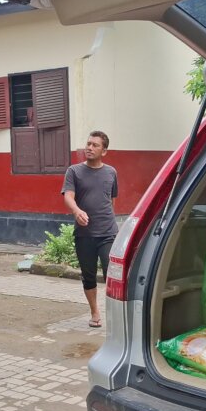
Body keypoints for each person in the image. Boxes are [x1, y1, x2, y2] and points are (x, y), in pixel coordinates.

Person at [62, 131, 118, 328]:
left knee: (112, 274)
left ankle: (115, 313)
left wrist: (109, 221)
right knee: (88, 275)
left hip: (108, 233)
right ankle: (94, 311)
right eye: (88, 144)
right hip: (84, 234)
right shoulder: (74, 171)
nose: (89, 148)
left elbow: (111, 201)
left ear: (104, 151)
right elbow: (68, 196)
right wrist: (77, 211)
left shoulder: (111, 172)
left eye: (95, 145)